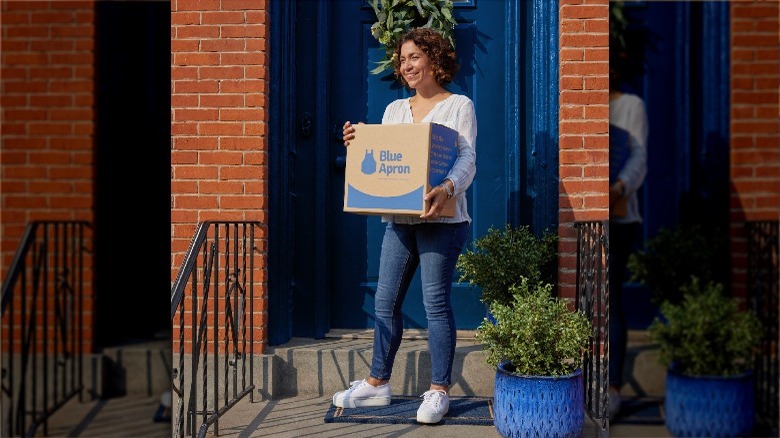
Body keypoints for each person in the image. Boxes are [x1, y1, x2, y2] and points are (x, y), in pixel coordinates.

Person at [332, 27, 477, 425]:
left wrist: (447, 187)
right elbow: (385, 161)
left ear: (433, 59)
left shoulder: (458, 105)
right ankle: (377, 383)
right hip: (399, 220)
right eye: (402, 60)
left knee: (434, 304)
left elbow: (467, 160)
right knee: (385, 302)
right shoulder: (394, 111)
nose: (406, 65)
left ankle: (438, 390)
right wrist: (356, 142)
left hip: (441, 220)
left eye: (414, 57)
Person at [607, 66, 648, 420]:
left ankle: (613, 387)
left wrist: (617, 188)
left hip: (619, 218)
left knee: (610, 299)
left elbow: (639, 157)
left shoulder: (630, 105)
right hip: (586, 215)